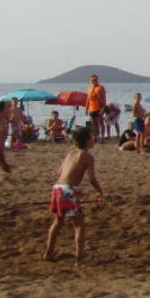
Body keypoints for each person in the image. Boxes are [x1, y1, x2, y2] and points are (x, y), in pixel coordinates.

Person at [43, 127, 104, 266]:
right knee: (79, 225)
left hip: (58, 188)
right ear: (88, 140)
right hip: (68, 190)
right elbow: (92, 179)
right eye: (92, 136)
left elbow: (60, 172)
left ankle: (49, 252)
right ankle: (79, 258)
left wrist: (73, 188)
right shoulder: (87, 156)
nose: (94, 138)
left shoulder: (71, 153)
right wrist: (100, 191)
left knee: (58, 222)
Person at [85, 74, 107, 142]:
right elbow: (88, 99)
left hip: (99, 108)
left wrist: (103, 108)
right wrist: (86, 108)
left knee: (100, 123)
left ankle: (102, 137)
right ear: (90, 81)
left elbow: (104, 98)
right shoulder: (89, 89)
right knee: (93, 124)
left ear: (97, 80)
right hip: (91, 108)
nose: (94, 81)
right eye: (92, 80)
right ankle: (95, 137)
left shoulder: (101, 88)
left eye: (95, 80)